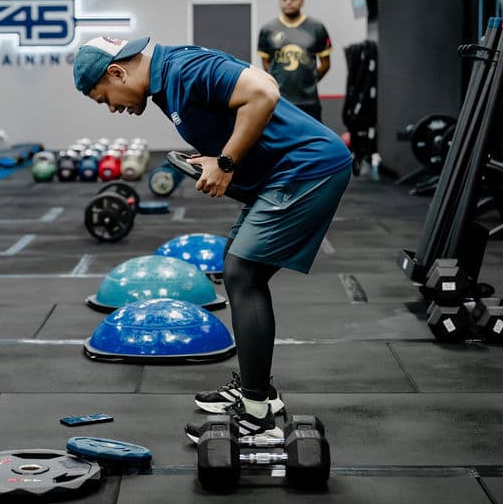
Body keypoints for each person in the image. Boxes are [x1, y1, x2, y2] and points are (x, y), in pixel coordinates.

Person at [72, 35, 352, 439]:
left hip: (306, 167)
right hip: (284, 173)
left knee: (243, 274)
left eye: (105, 99)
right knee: (237, 266)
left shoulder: (183, 69)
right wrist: (215, 157)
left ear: (117, 73)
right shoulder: (167, 80)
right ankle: (259, 390)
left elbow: (264, 92)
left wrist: (225, 161)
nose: (113, 108)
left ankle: (256, 413)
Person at [257, 0, 333, 122]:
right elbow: (266, 64)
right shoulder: (267, 29)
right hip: (280, 102)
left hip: (309, 103)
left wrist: (309, 81)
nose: (288, 2)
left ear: (302, 0)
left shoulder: (317, 27)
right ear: (280, 1)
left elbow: (325, 64)